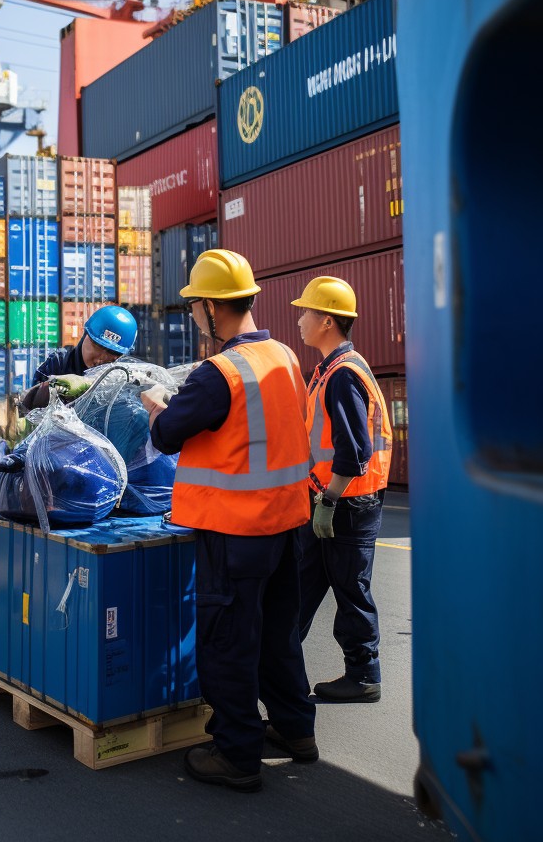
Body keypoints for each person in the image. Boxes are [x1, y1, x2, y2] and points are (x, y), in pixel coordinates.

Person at [141, 249, 316, 793]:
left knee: (228, 642)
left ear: (214, 307)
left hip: (237, 532)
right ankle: (295, 731)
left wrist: (156, 408)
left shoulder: (220, 373)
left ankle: (237, 753)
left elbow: (169, 435)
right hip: (289, 526)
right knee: (278, 637)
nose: (193, 315)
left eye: (195, 306)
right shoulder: (284, 355)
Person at [291, 276, 393, 703]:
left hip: (345, 503)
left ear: (327, 321)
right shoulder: (334, 369)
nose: (299, 321)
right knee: (300, 587)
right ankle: (274, 663)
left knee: (351, 591)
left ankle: (364, 676)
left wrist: (328, 501)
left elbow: (354, 452)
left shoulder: (342, 375)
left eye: (306, 312)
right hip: (333, 499)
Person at [18, 304, 138, 411]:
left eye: (112, 353)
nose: (100, 358)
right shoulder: (59, 363)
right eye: (97, 346)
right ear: (85, 335)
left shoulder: (128, 376)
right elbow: (31, 408)